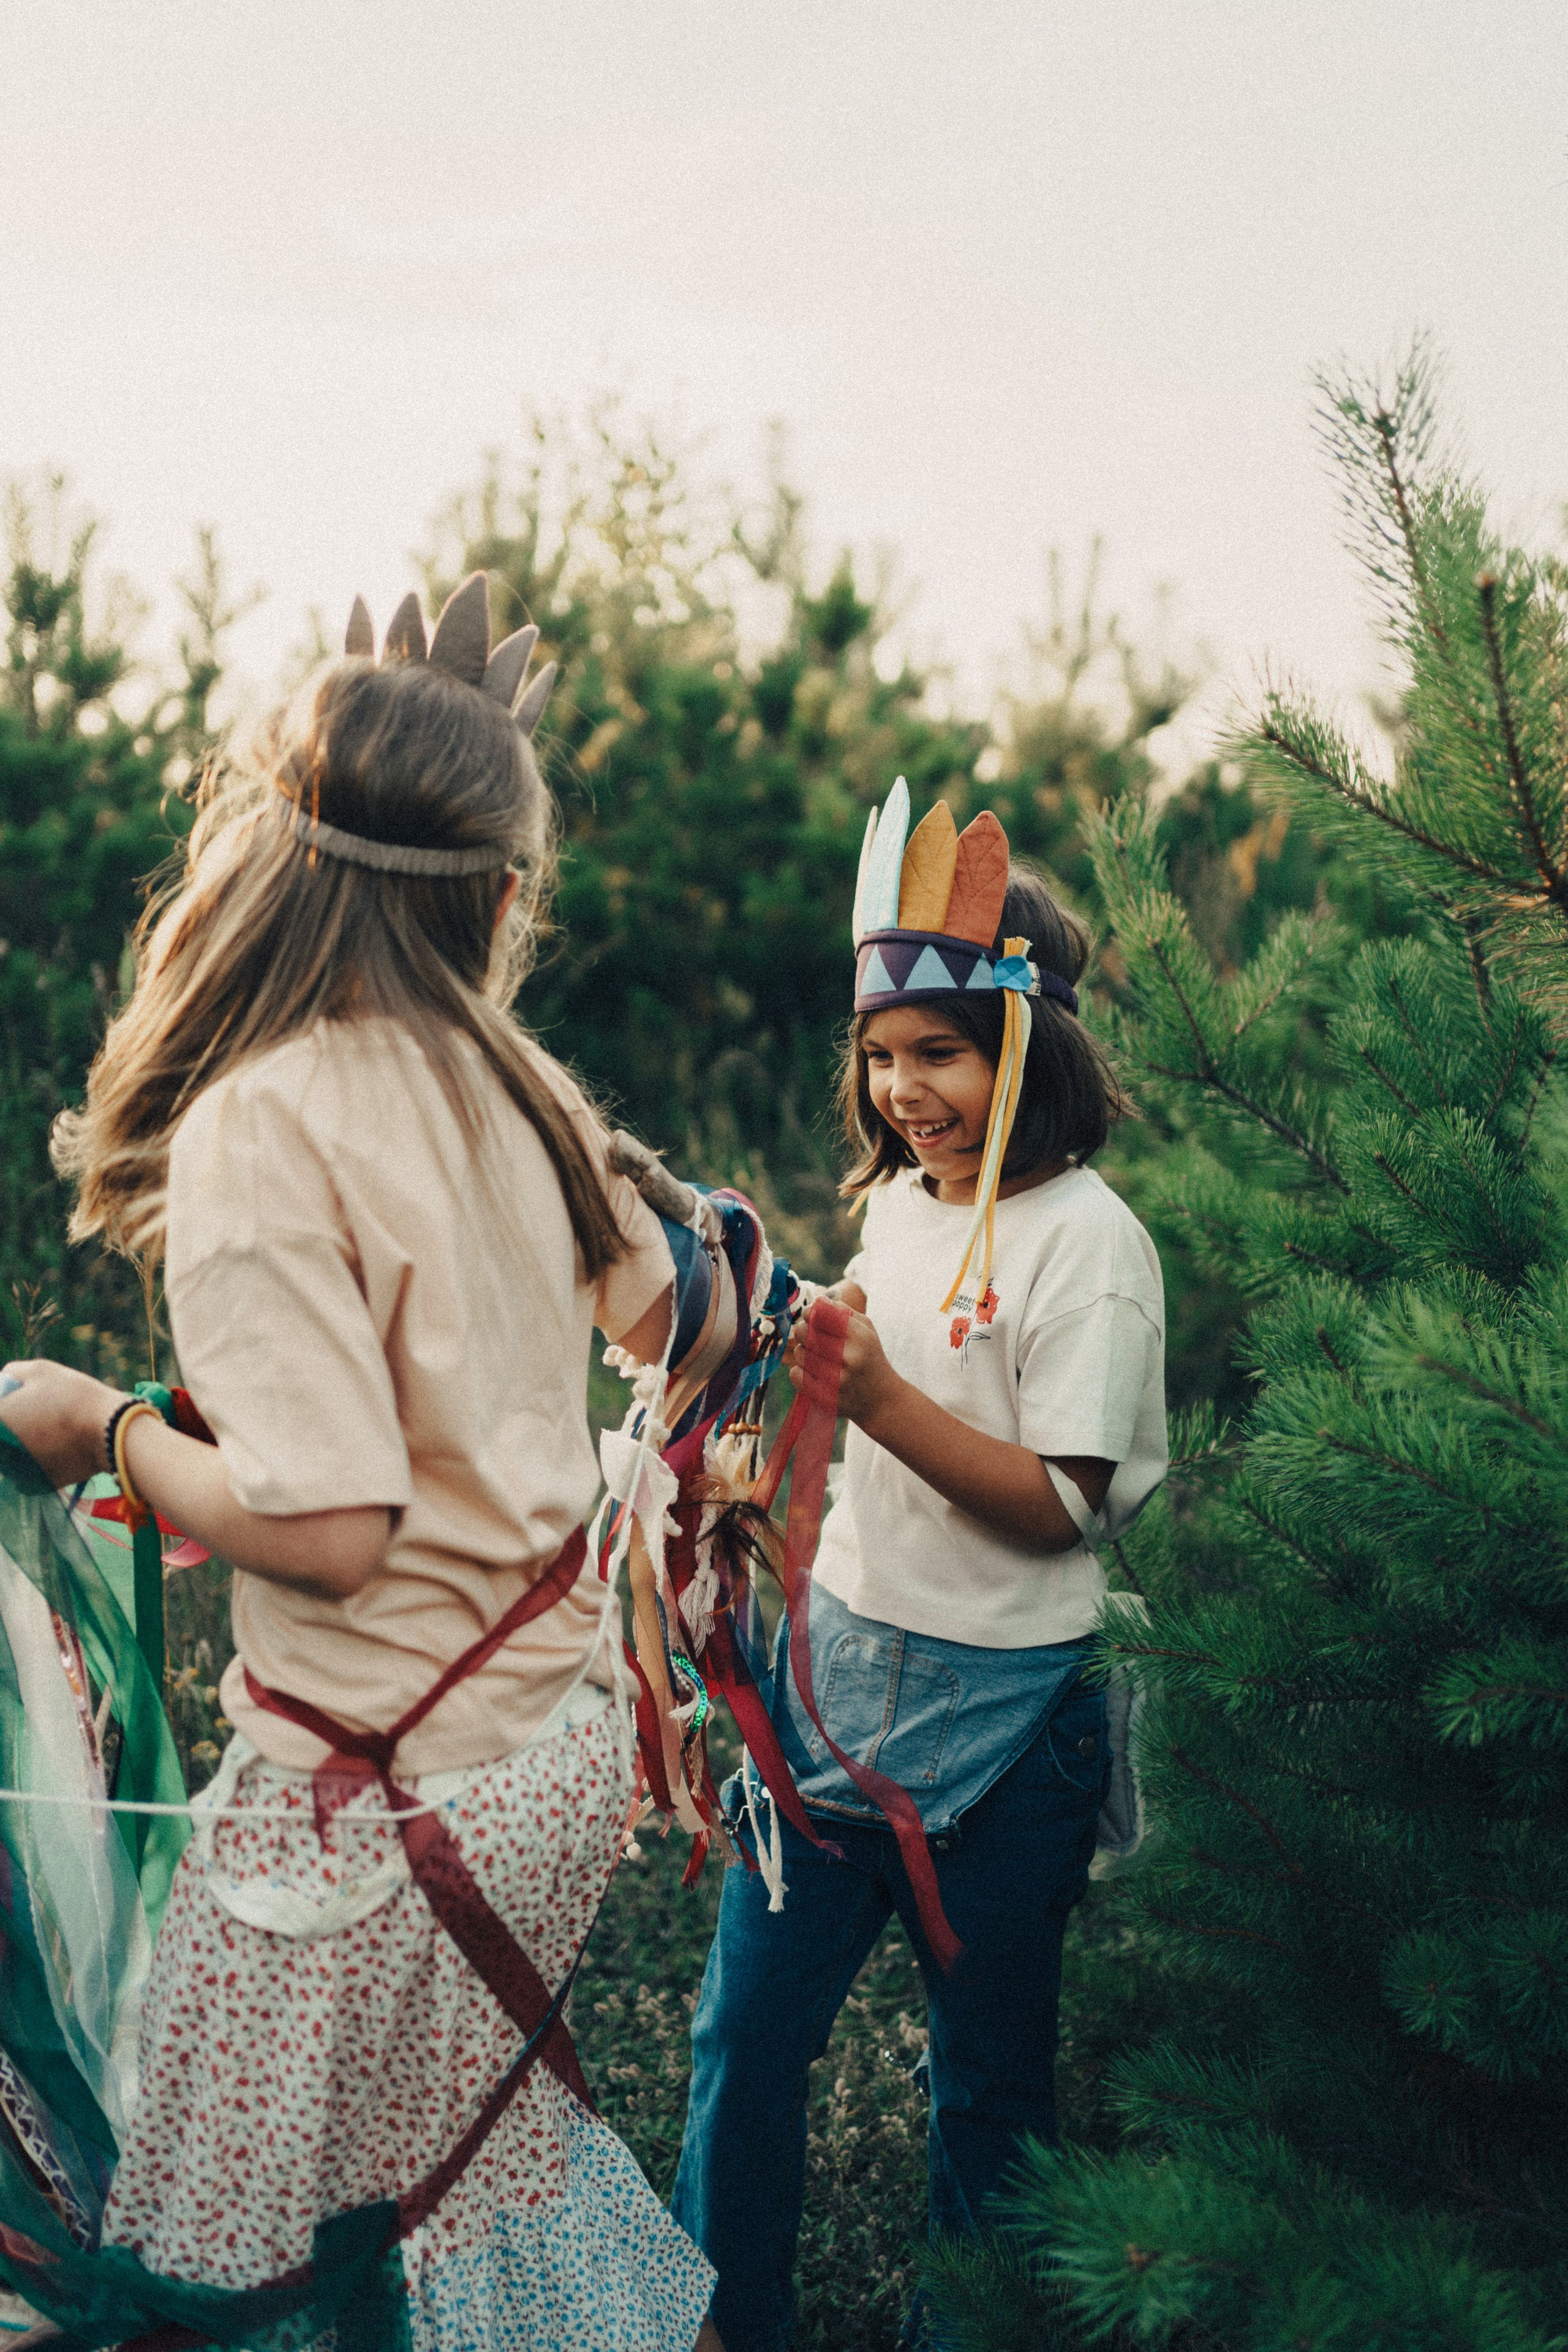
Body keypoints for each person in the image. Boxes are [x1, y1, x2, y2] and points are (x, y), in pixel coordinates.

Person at [0, 578, 723, 2352]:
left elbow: (329, 1526)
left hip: (368, 1806)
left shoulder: (268, 1120)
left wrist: (107, 1425)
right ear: (492, 890)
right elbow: (671, 1321)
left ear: (270, 850)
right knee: (467, 2172)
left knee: (213, 2255)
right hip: (546, 1765)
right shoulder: (525, 1089)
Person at [671, 786, 1168, 2352]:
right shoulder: (893, 1209)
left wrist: (880, 1395)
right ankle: (718, 2320)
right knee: (743, 2036)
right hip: (834, 1706)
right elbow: (850, 1429)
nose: (902, 1093)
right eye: (879, 1057)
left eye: (938, 1055)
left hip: (1012, 1733)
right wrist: (767, 1479)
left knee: (988, 2083)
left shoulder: (1090, 1247)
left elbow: (1057, 1509)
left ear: (1034, 1052)